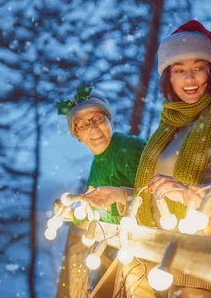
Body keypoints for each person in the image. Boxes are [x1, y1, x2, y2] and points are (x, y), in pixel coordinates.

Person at [84, 20, 211, 298]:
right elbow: (162, 198)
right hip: (159, 262)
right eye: (179, 71)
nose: (189, 79)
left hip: (209, 266)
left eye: (197, 68)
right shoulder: (169, 126)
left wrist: (186, 194)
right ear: (168, 78)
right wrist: (121, 195)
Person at [55, 84, 146, 298]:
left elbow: (154, 194)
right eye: (83, 125)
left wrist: (123, 195)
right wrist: (77, 209)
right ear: (77, 134)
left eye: (97, 119)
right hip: (114, 254)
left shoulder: (131, 149)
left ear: (109, 120)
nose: (94, 129)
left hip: (142, 258)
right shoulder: (97, 165)